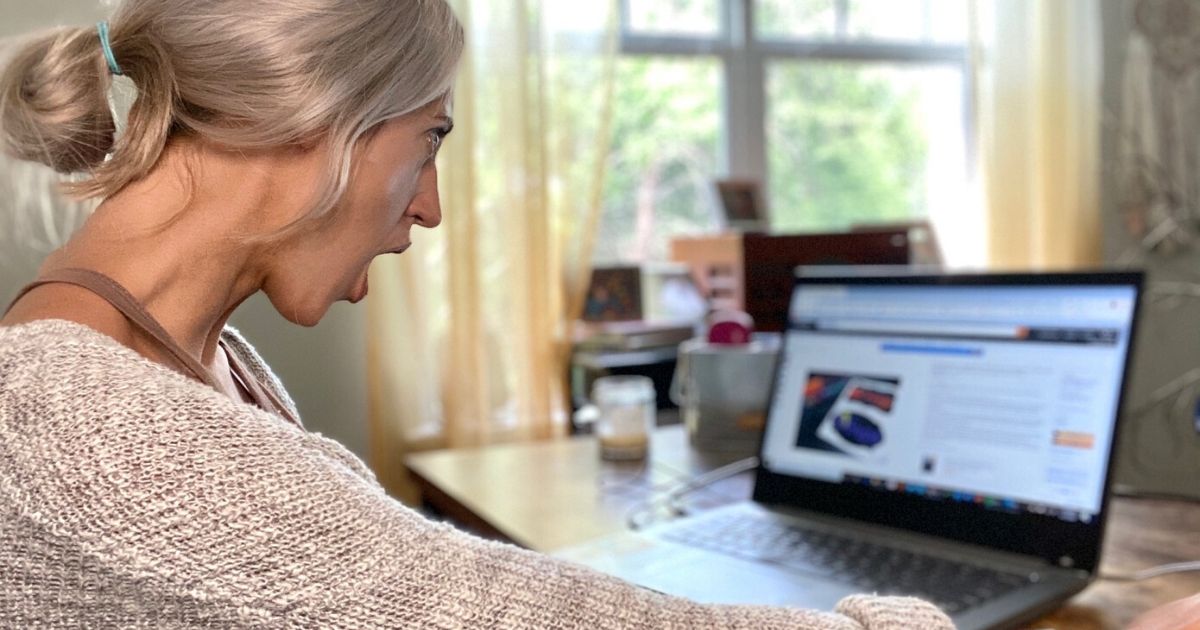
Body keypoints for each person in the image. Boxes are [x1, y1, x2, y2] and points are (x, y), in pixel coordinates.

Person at [0, 1, 954, 627]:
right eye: (429, 140)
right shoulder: (82, 413)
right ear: (311, 118)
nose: (430, 206)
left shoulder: (186, 353)